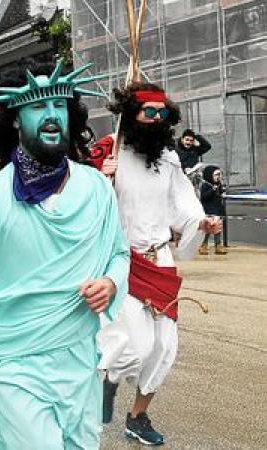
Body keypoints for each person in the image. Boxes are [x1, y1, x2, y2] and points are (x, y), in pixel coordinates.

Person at [0, 61, 130, 449]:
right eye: (37, 107)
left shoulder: (96, 187)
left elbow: (118, 253)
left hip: (80, 358)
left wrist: (111, 284)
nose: (51, 117)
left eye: (59, 106)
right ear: (16, 119)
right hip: (15, 360)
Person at [90, 82, 223, 445]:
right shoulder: (107, 153)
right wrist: (101, 177)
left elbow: (182, 205)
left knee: (164, 347)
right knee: (133, 346)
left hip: (160, 259)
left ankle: (138, 417)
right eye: (148, 111)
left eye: (162, 114)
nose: (156, 119)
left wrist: (201, 223)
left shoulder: (168, 160)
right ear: (130, 115)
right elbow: (85, 206)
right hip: (121, 260)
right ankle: (107, 380)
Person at [199, 165, 227, 255]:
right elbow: (203, 197)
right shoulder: (206, 185)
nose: (219, 177)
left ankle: (218, 245)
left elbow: (220, 194)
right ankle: (203, 245)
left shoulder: (218, 184)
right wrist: (212, 190)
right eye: (216, 175)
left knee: (217, 229)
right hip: (209, 211)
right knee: (207, 229)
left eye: (220, 175)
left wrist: (221, 190)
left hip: (217, 210)